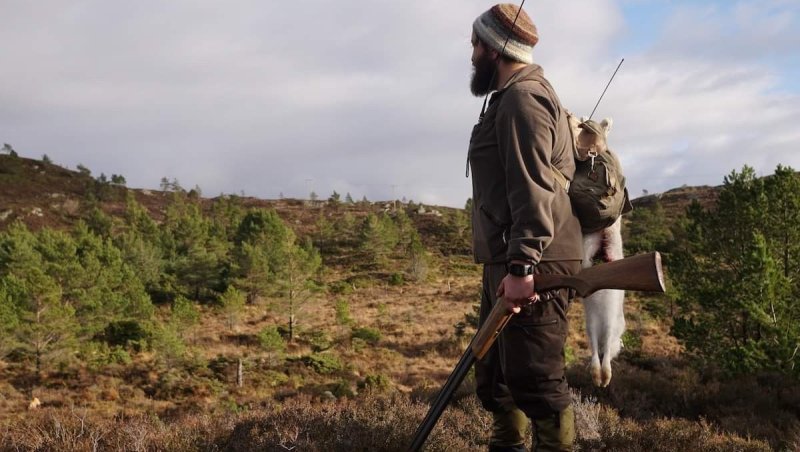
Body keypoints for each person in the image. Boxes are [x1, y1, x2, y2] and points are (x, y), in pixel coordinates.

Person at [467, 4, 583, 451]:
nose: (472, 53)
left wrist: (522, 266)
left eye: (476, 44)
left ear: (495, 49)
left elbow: (532, 187)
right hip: (509, 257)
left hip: (534, 261)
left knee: (535, 379)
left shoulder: (523, 98)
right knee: (496, 375)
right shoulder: (510, 95)